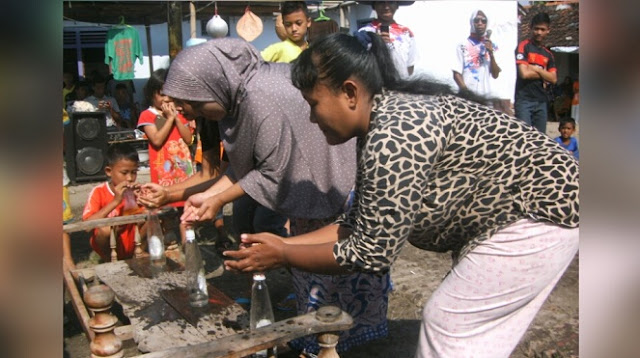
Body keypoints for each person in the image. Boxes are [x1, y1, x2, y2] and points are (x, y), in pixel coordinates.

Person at [222, 32, 579, 358]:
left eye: (313, 104)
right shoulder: (378, 121)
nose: (313, 119)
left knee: (450, 322)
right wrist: (282, 246)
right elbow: (357, 225)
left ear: (350, 93)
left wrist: (284, 253)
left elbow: (370, 252)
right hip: (522, 215)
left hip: (542, 210)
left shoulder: (394, 134)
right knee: (467, 333)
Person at [140, 38, 390, 356]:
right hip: (306, 189)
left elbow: (271, 170)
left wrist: (217, 200)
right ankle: (320, 341)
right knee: (312, 270)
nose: (189, 113)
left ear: (211, 86)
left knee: (339, 262)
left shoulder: (259, 97)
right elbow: (244, 168)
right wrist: (209, 197)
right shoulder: (236, 99)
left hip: (334, 185)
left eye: (194, 104)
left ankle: (335, 342)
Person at [80, 143, 147, 262]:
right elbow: (86, 226)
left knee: (152, 216)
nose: (130, 178)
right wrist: (116, 201)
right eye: (124, 173)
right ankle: (109, 261)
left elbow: (140, 218)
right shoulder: (99, 192)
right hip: (109, 245)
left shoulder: (133, 192)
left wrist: (144, 200)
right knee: (104, 230)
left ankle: (139, 252)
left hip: (131, 240)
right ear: (109, 171)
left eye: (134, 172)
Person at [514, 12, 557, 133]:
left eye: (542, 29)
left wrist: (536, 68)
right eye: (536, 29)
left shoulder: (548, 55)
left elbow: (553, 79)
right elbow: (524, 74)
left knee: (540, 139)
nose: (539, 32)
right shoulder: (523, 46)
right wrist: (544, 73)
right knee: (524, 137)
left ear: (548, 30)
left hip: (541, 101)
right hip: (524, 101)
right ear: (531, 28)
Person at [358, 1, 416, 79]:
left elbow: (410, 65)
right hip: (375, 87)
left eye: (391, 2)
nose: (386, 7)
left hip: (401, 86)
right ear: (374, 6)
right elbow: (359, 64)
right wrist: (376, 44)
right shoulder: (365, 33)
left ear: (397, 5)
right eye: (381, 2)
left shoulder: (406, 33)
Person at [452, 10, 501, 99]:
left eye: (483, 21)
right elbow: (456, 74)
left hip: (485, 97)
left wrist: (491, 53)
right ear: (472, 22)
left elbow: (495, 75)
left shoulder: (491, 45)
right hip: (467, 97)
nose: (480, 23)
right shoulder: (462, 45)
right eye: (476, 20)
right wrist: (467, 94)